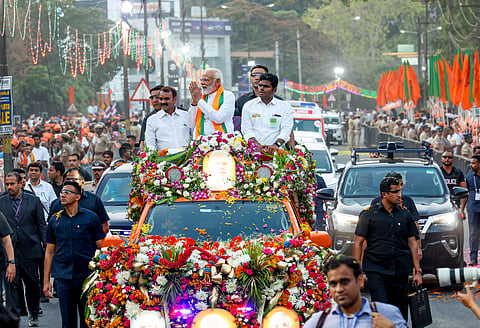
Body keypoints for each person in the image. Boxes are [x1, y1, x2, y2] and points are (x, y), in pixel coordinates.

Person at [353, 176, 422, 320]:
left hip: (400, 271)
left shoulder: (405, 214)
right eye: (395, 192)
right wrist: (358, 274)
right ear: (384, 194)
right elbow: (358, 243)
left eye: (400, 191)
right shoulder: (368, 215)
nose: (400, 195)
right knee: (381, 309)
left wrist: (417, 271)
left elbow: (413, 242)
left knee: (399, 311)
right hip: (376, 270)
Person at [43, 180, 105, 328]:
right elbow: (49, 252)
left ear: (78, 197)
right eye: (61, 193)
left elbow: (102, 248)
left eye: (67, 192)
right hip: (63, 277)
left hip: (87, 277)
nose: (62, 196)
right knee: (67, 322)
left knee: (87, 320)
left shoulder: (91, 218)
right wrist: (46, 282)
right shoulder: (54, 220)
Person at [302, 255, 407, 328]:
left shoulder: (387, 314)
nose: (339, 289)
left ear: (360, 279)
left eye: (345, 282)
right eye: (333, 284)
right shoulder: (319, 321)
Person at [0, 172, 46, 327]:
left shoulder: (33, 201)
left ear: (21, 184)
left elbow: (41, 225)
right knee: (11, 284)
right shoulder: (2, 202)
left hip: (30, 249)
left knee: (32, 284)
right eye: (7, 184)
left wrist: (45, 245)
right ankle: (13, 317)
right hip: (9, 251)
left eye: (12, 184)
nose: (9, 187)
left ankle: (33, 312)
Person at [370, 171, 422, 260]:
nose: (400, 188)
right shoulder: (376, 204)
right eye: (397, 186)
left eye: (401, 184)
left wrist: (418, 248)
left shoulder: (408, 202)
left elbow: (415, 228)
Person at [241, 73, 293, 155]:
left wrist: (276, 145)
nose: (261, 88)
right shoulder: (248, 106)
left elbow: (286, 131)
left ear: (274, 90)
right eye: (260, 85)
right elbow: (246, 130)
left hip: (277, 155)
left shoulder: (285, 107)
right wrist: (256, 145)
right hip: (254, 154)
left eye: (266, 86)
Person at [49, 168, 110, 234]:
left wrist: (93, 240)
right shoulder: (57, 203)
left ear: (83, 182)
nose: (70, 182)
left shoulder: (94, 200)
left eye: (74, 179)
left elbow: (104, 226)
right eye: (67, 179)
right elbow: (51, 228)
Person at [188, 68, 235, 138]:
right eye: (201, 80)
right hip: (200, 142)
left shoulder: (228, 96)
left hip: (223, 143)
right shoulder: (202, 98)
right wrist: (194, 102)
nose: (202, 83)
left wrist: (199, 101)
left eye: (206, 80)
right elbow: (190, 124)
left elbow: (219, 118)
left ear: (217, 81)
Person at [145, 86, 191, 151]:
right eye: (161, 99)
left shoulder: (186, 116)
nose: (163, 102)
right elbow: (150, 145)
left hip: (187, 158)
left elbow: (194, 137)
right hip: (164, 159)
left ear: (175, 100)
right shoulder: (152, 120)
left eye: (167, 99)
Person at [234, 64, 269, 131]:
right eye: (253, 75)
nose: (257, 78)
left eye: (260, 75)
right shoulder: (242, 101)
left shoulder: (278, 102)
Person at [462, 155, 480, 266]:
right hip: (473, 209)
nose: (471, 165)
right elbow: (465, 194)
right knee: (474, 233)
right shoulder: (469, 177)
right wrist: (462, 209)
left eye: (474, 163)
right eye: (471, 163)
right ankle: (473, 258)